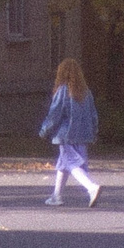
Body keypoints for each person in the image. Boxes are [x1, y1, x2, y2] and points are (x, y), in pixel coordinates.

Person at [38, 58, 102, 207]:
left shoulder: (63, 91)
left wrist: (44, 130)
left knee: (72, 164)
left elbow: (54, 114)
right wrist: (94, 131)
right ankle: (56, 196)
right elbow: (93, 115)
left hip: (66, 136)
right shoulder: (86, 92)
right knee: (64, 164)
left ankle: (91, 187)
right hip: (83, 135)